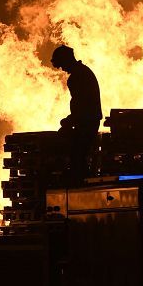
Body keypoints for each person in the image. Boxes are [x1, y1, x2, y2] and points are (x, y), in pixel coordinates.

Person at [51, 45, 102, 183]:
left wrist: (69, 121)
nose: (62, 68)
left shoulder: (77, 77)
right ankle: (80, 176)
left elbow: (81, 104)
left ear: (66, 60)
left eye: (62, 64)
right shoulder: (84, 72)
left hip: (87, 122)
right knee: (79, 152)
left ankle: (79, 180)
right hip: (89, 120)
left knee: (77, 152)